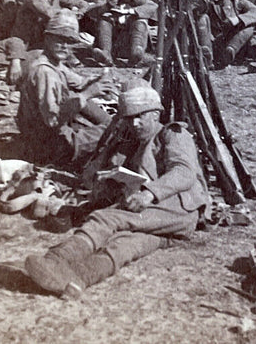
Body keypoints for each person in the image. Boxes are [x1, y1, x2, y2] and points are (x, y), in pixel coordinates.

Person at [22, 82, 211, 298]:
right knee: (125, 244)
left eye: (141, 116)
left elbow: (184, 173)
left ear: (156, 113)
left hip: (180, 208)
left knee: (106, 219)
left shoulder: (173, 135)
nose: (135, 123)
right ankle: (76, 279)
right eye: (130, 118)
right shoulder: (137, 141)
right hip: (167, 224)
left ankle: (55, 259)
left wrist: (149, 193)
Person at [16, 9, 113, 169]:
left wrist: (99, 82)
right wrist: (89, 93)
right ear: (47, 37)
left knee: (97, 115)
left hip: (45, 136)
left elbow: (79, 83)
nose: (64, 46)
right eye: (59, 39)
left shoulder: (52, 61)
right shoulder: (45, 72)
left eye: (69, 41)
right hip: (48, 147)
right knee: (115, 133)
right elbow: (53, 120)